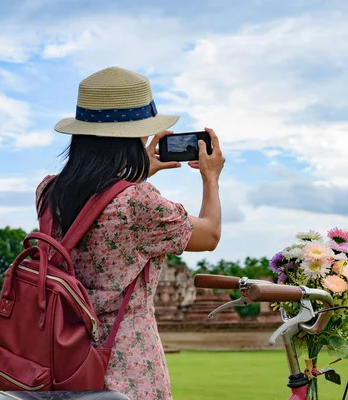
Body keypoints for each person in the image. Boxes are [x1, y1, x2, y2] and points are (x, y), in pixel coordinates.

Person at [35, 66, 225, 399]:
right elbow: (209, 235)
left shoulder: (49, 192)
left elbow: (100, 205)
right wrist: (211, 177)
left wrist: (135, 172)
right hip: (124, 361)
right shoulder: (138, 202)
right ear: (133, 137)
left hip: (60, 356)